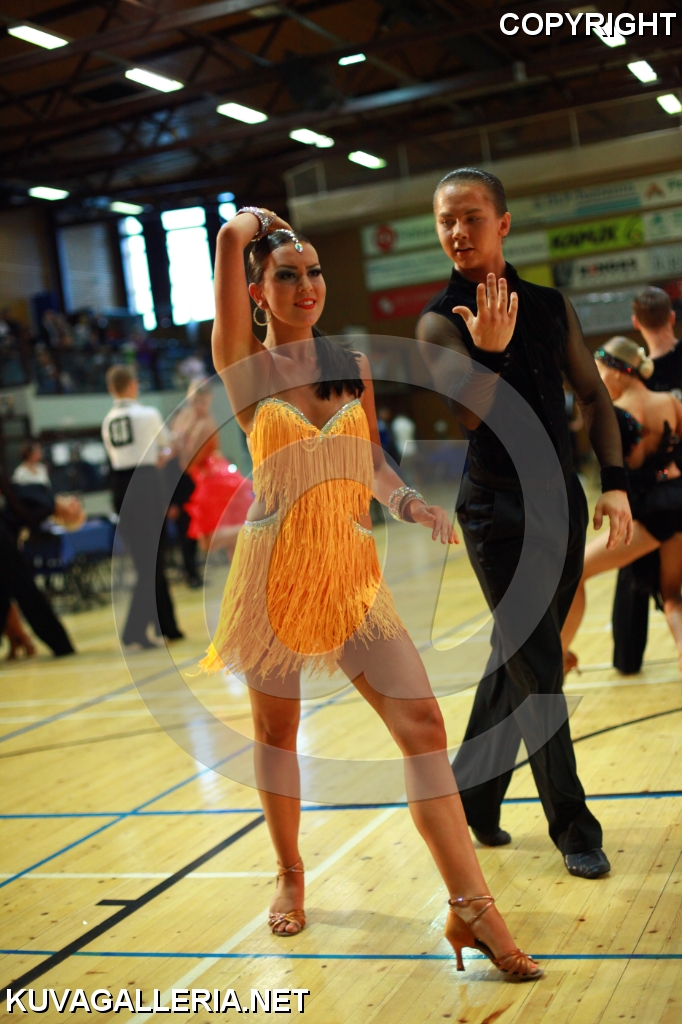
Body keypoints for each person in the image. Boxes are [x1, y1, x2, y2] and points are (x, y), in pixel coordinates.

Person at [201, 204, 543, 982]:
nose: (307, 285)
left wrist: (407, 503)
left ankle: (471, 907)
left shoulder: (350, 365)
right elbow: (228, 242)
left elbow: (373, 461)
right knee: (277, 736)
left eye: (315, 272)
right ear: (256, 293)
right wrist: (251, 223)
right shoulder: (244, 366)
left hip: (351, 571)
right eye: (287, 275)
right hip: (272, 576)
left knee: (423, 725)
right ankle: (290, 872)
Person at [417, 167, 631, 880]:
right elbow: (469, 416)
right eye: (446, 220)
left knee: (516, 653)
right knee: (539, 667)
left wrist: (616, 485)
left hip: (561, 501)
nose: (457, 231)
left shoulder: (549, 304)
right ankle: (574, 826)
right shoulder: (437, 322)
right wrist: (490, 350)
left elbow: (593, 396)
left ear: (502, 223)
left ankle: (472, 798)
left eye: (471, 217)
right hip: (497, 512)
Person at [563, 337, 682, 671]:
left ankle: (559, 655)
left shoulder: (614, 414)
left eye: (600, 371)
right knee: (671, 594)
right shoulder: (669, 401)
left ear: (618, 371)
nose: (598, 379)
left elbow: (622, 474)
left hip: (650, 514)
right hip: (676, 503)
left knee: (574, 573)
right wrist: (666, 471)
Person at [612, 287, 682, 673]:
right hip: (674, 485)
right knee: (670, 588)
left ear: (635, 323)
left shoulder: (635, 378)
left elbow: (630, 456)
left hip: (651, 495)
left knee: (636, 571)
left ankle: (627, 659)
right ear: (671, 317)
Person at [101, 365, 183, 648]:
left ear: (111, 389)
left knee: (147, 561)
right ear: (133, 385)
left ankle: (167, 626)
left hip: (120, 488)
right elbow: (167, 448)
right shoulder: (148, 414)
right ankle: (134, 630)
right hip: (145, 484)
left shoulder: (107, 421)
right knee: (152, 562)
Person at [0, 472, 75, 658]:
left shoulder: (40, 504)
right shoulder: (41, 500)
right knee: (22, 590)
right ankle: (61, 644)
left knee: (16, 591)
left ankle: (61, 644)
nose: (74, 506)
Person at [167, 379, 218, 587]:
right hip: (180, 482)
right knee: (186, 530)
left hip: (198, 480)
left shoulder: (207, 424)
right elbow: (174, 456)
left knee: (200, 532)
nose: (198, 406)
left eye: (202, 401)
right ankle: (191, 573)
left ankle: (194, 571)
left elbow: (190, 459)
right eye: (195, 400)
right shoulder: (182, 417)